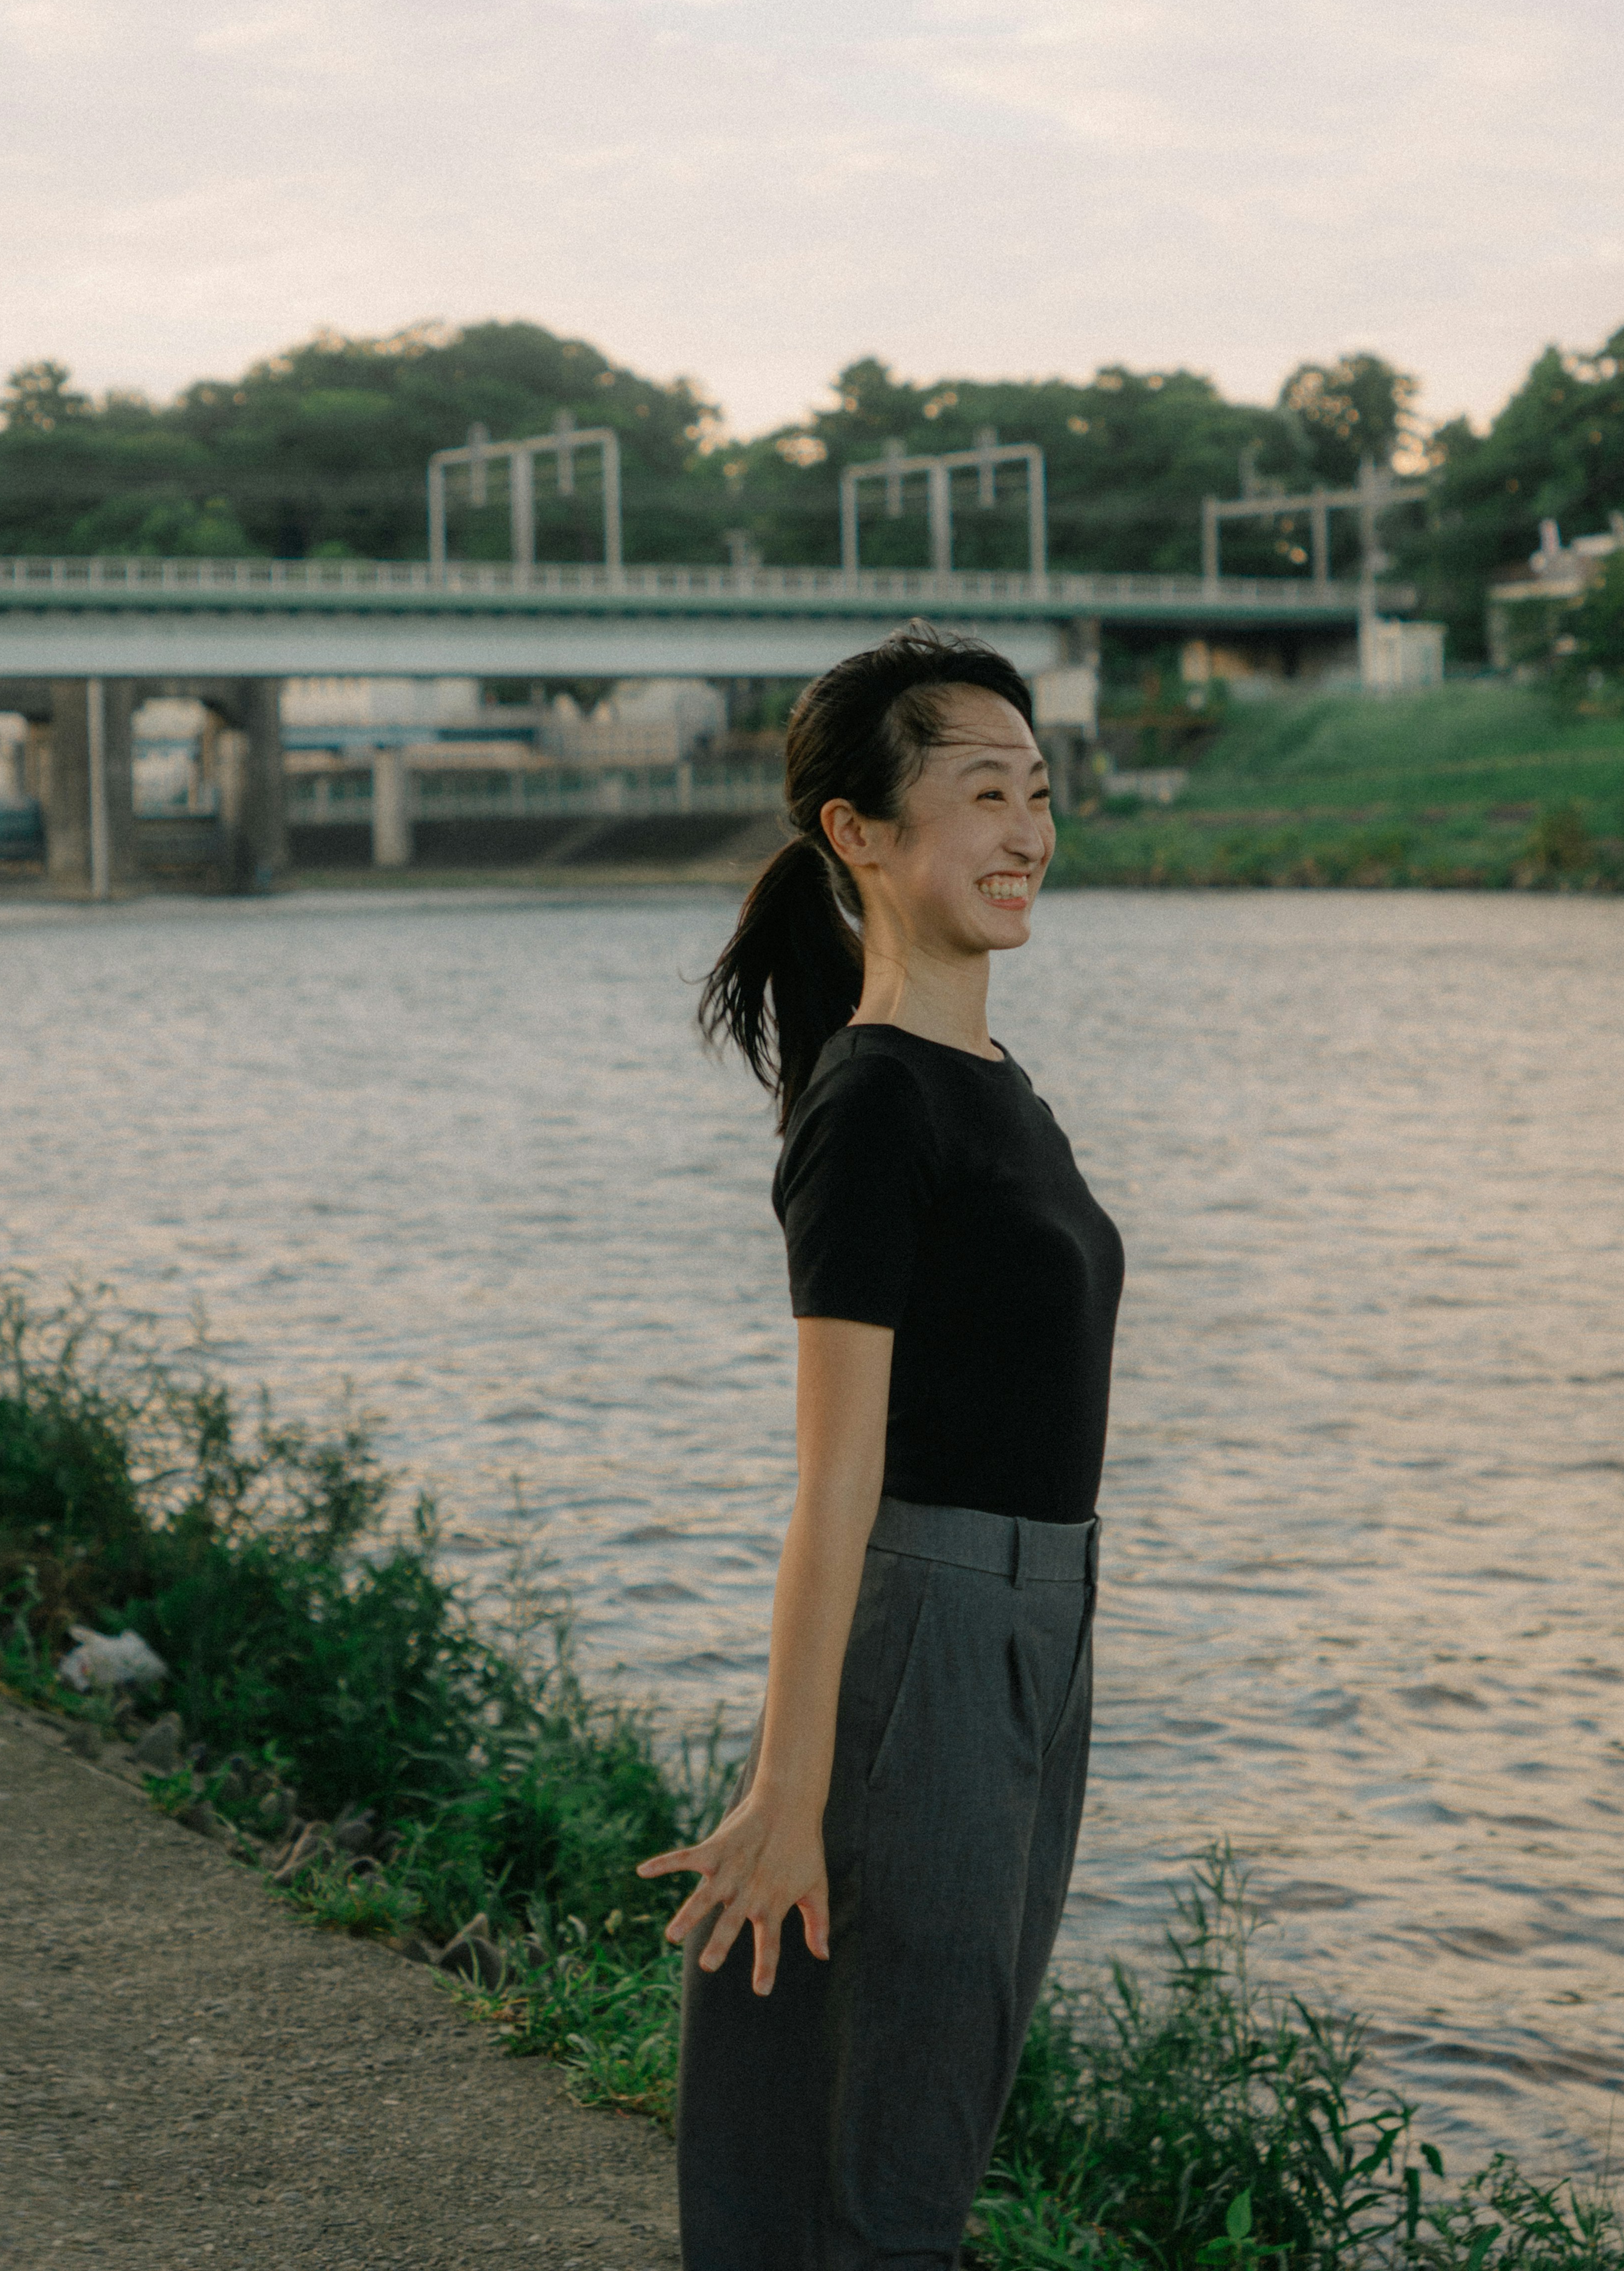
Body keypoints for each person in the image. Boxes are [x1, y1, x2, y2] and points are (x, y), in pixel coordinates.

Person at [637, 623, 1125, 2271]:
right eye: (983, 793)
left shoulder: (998, 1085)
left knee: (926, 2092)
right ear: (860, 834)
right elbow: (837, 1478)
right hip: (930, 1620)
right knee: (885, 2137)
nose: (1028, 834)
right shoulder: (875, 1102)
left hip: (1038, 1626)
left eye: (1041, 794)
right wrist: (791, 1788)